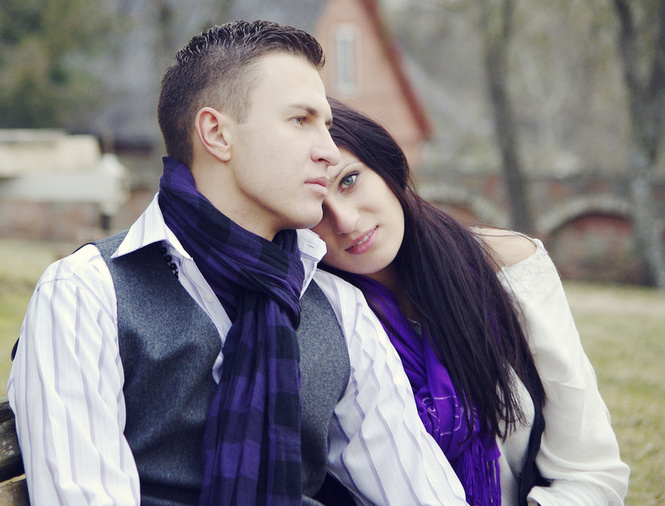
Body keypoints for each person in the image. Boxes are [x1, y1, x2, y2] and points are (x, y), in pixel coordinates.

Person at [7, 21, 467, 505]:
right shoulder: (85, 294)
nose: (329, 153)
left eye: (327, 127)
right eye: (301, 120)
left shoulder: (340, 309)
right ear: (217, 134)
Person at [311, 98, 631, 505]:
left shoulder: (509, 267)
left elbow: (590, 469)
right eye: (316, 210)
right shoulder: (320, 317)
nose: (345, 221)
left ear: (385, 165)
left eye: (350, 180)